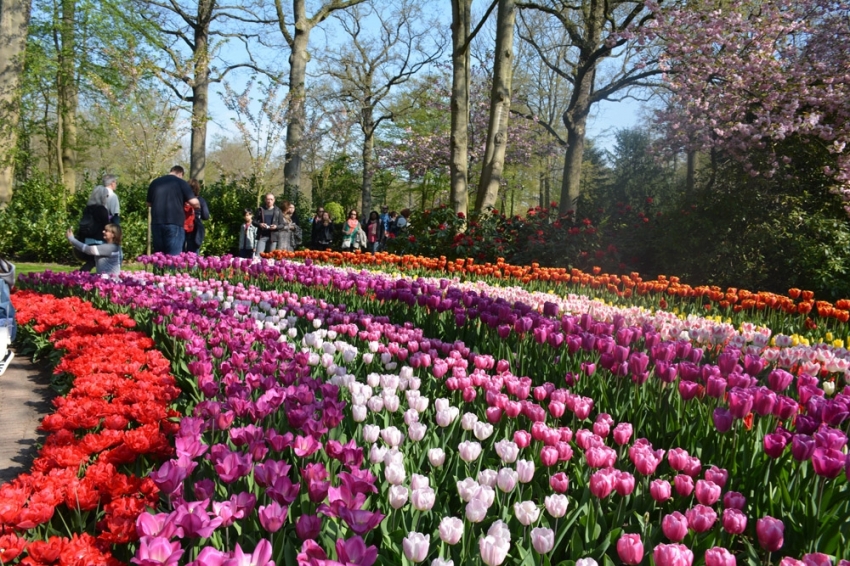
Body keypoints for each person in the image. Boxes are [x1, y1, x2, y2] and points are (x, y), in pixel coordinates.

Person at [147, 165, 199, 255]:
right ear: (180, 174)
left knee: (159, 257)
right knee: (173, 258)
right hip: (175, 223)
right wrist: (197, 206)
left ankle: (159, 269)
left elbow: (148, 203)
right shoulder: (181, 183)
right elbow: (194, 203)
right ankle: (170, 269)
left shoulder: (155, 183)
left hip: (156, 223)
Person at [77, 185, 112, 272]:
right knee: (93, 261)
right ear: (102, 196)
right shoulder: (101, 209)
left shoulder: (88, 209)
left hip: (87, 239)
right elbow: (106, 225)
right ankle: (80, 277)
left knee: (93, 261)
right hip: (98, 240)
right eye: (106, 196)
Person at [184, 178, 211, 254]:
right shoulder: (200, 200)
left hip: (181, 228)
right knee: (193, 255)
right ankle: (193, 266)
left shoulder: (182, 199)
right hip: (194, 229)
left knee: (180, 255)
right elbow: (206, 216)